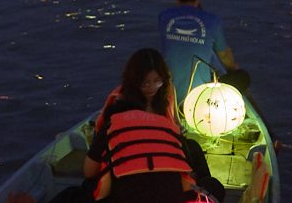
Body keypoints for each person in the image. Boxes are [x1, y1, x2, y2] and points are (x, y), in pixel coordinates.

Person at [83, 49, 220, 203]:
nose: (151, 87)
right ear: (134, 81)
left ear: (163, 80)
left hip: (132, 183)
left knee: (193, 148)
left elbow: (90, 171)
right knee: (210, 183)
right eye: (145, 82)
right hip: (153, 183)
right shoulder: (117, 113)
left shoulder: (118, 118)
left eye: (157, 81)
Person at [158, 0, 248, 100]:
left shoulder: (164, 17)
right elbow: (224, 55)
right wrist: (234, 68)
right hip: (200, 97)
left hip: (170, 91)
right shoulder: (212, 21)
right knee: (243, 77)